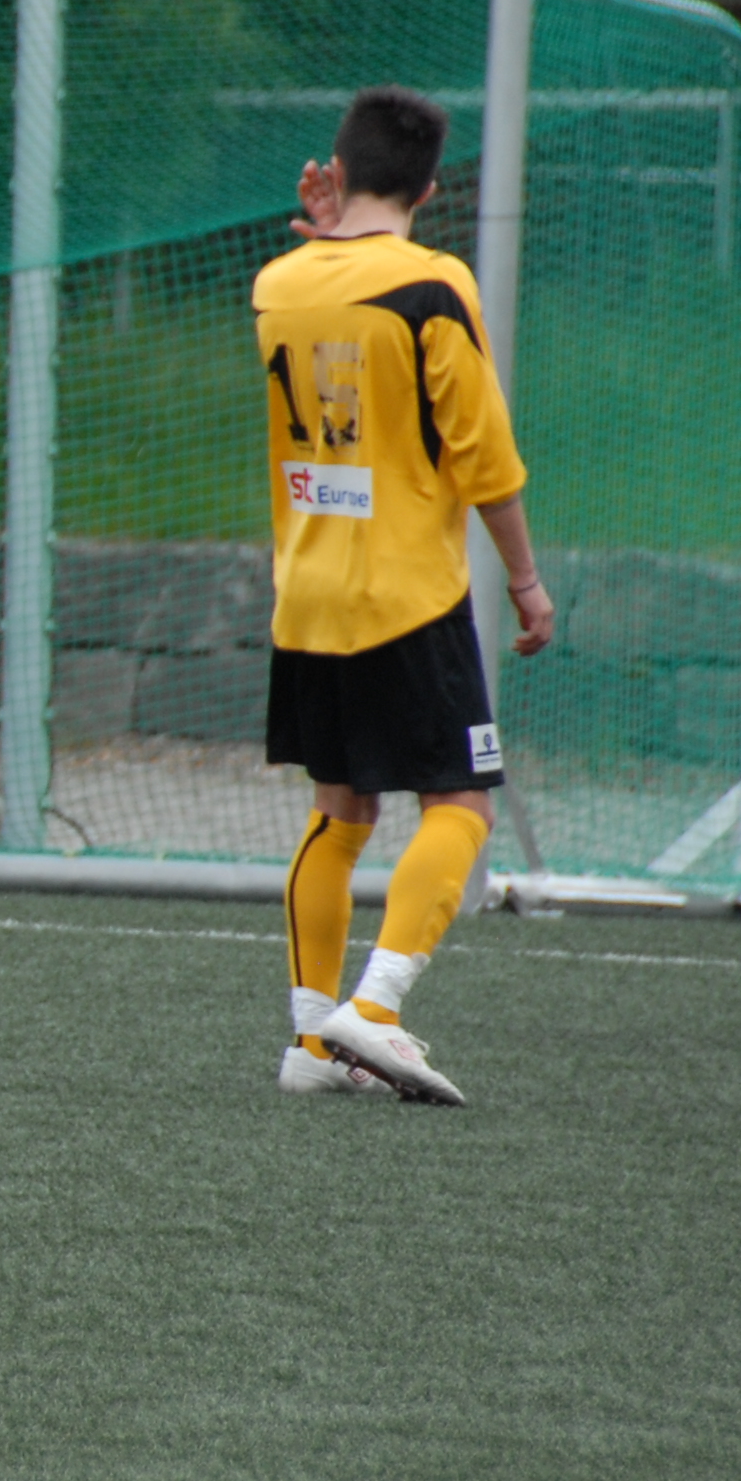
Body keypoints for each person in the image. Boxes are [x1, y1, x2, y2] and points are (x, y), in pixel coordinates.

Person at [257, 84, 555, 1105]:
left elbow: (331, 291)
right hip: (405, 598)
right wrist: (524, 579)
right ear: (430, 190)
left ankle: (310, 1043)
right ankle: (375, 1012)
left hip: (305, 594)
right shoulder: (433, 286)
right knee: (461, 804)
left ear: (336, 175)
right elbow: (484, 455)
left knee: (338, 811)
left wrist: (326, 237)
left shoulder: (275, 284)